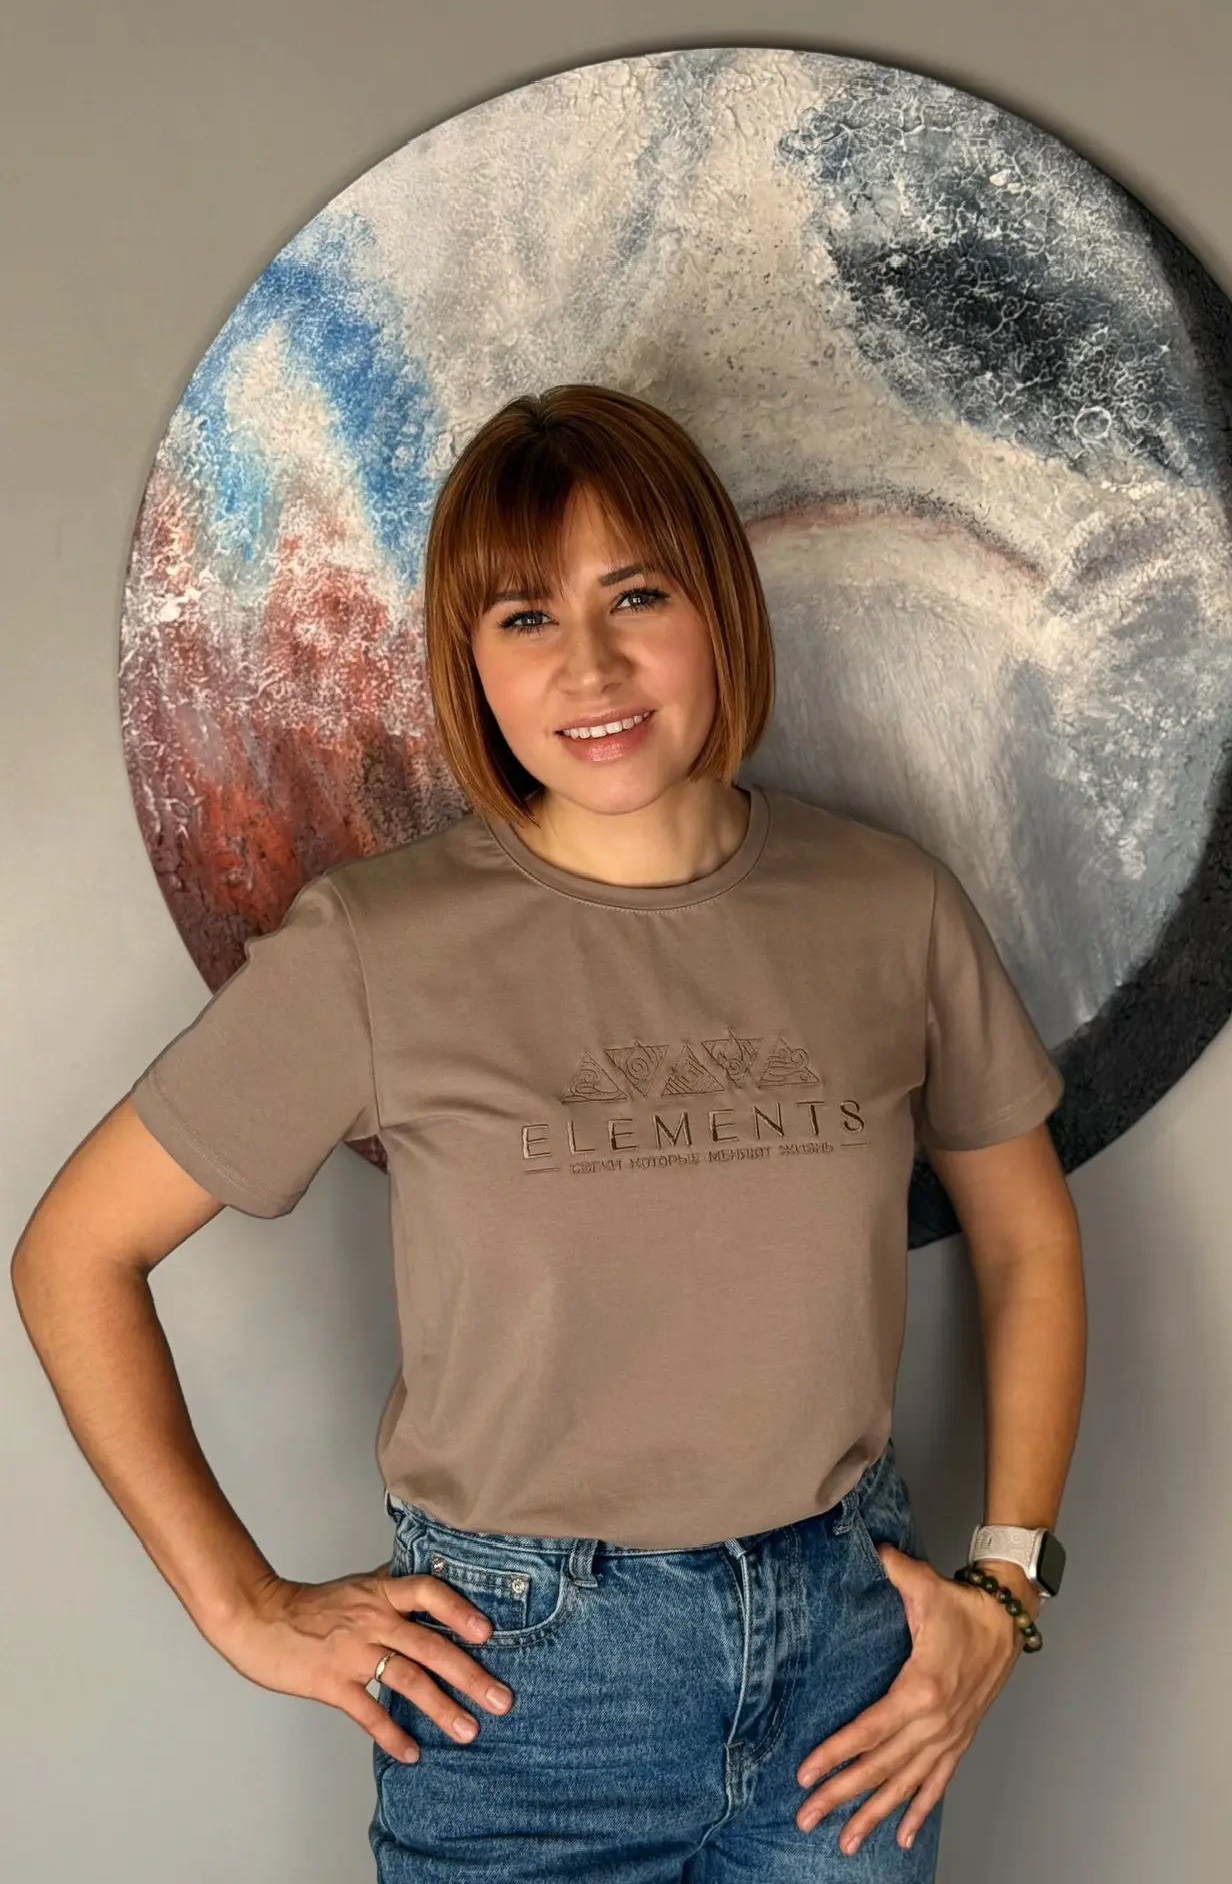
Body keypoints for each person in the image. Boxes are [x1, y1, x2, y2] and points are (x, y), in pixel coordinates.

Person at [11, 383, 1085, 1879]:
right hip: (522, 1692)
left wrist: (1007, 1588)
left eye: (635, 595)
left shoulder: (887, 906)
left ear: (717, 604)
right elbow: (73, 1256)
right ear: (473, 665)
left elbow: (1026, 1240)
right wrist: (243, 1607)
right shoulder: (376, 949)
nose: (590, 665)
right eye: (524, 617)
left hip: (851, 1670)